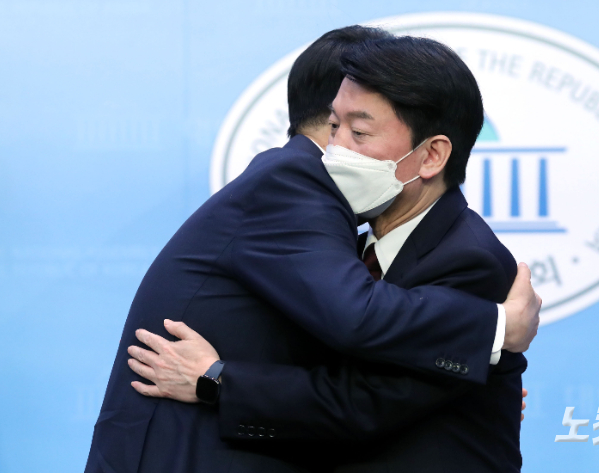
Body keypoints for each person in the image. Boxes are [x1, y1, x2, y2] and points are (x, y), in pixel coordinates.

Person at [86, 27, 540, 473]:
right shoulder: (323, 211)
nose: (335, 149)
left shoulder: (468, 258)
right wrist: (494, 334)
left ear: (432, 155)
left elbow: (360, 395)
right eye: (334, 127)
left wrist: (216, 379)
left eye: (358, 132)